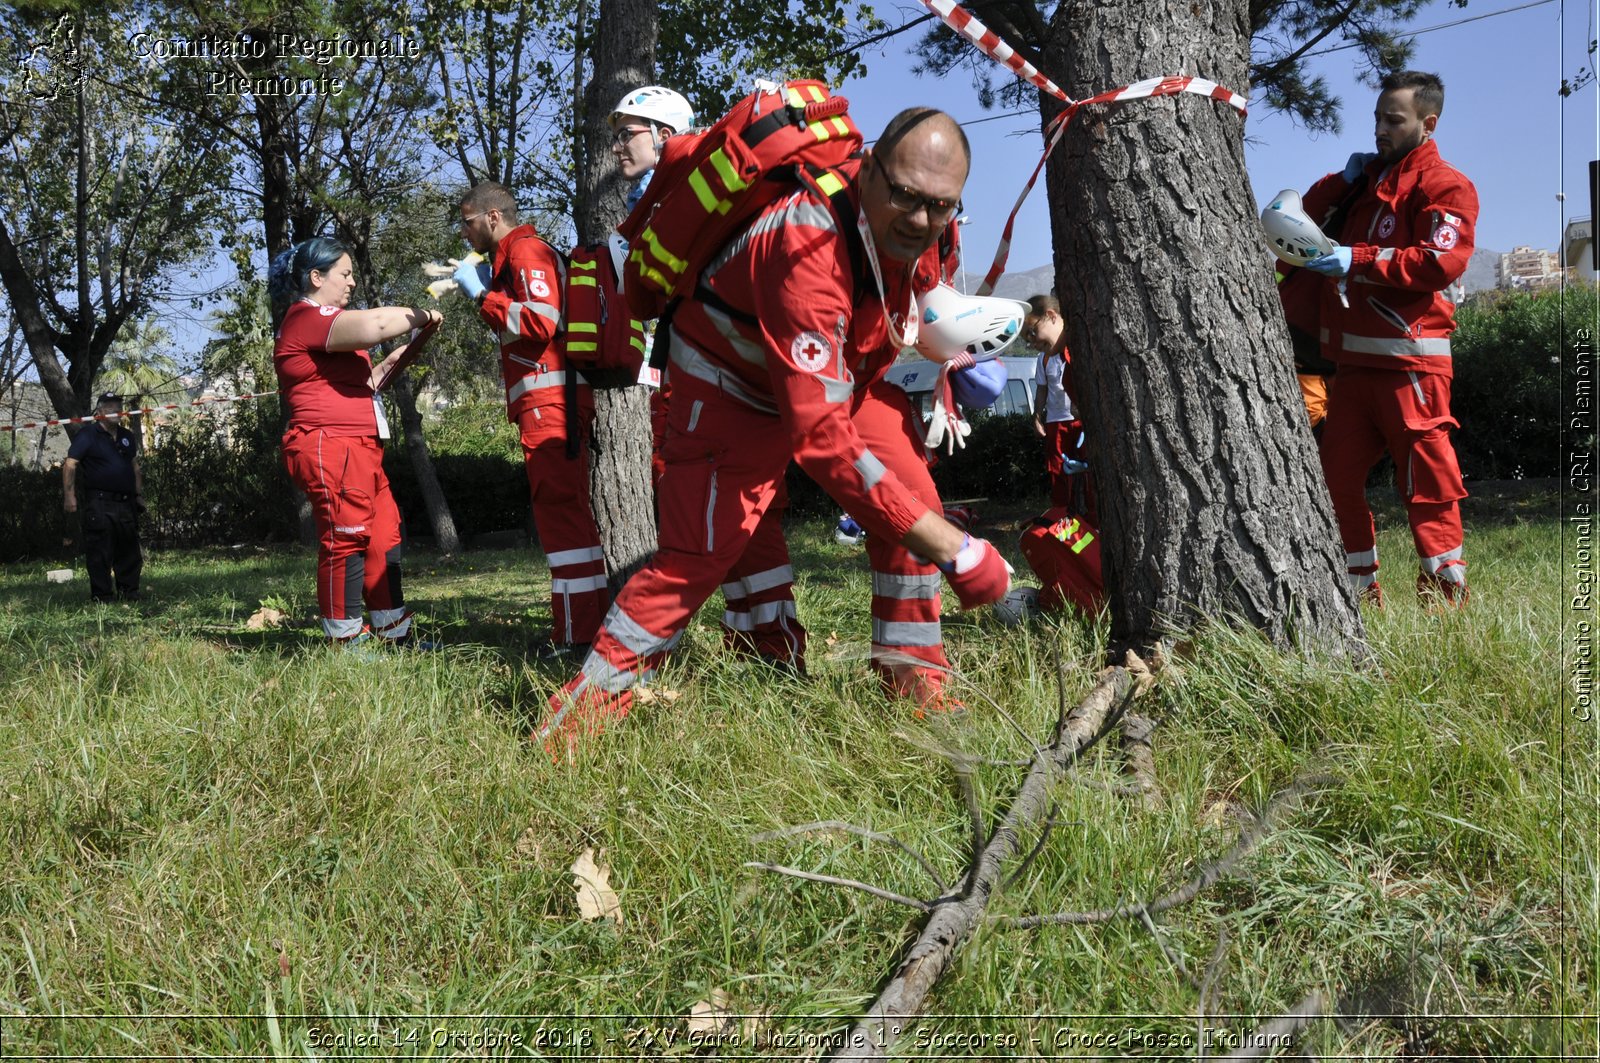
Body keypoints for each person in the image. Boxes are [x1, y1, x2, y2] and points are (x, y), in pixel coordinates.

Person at [540, 107, 1012, 753]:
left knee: (910, 507)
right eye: (904, 195)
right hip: (728, 383)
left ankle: (917, 692)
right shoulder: (806, 242)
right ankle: (573, 725)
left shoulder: (930, 231)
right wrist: (959, 549)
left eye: (940, 205)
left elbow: (892, 323)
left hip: (840, 378)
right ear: (869, 169)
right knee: (695, 560)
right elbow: (822, 441)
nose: (921, 220)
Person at [1295, 71, 1477, 607]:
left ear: (1428, 123)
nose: (1379, 129)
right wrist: (1341, 181)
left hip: (1411, 367)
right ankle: (1358, 593)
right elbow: (1303, 220)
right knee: (1334, 481)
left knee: (1428, 487)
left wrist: (1358, 258)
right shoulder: (1364, 184)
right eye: (1376, 117)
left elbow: (1440, 261)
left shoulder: (1446, 184)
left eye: (1392, 120)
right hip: (1352, 369)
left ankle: (1445, 599)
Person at [449, 181, 611, 652]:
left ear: (493, 217)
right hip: (552, 403)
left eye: (467, 221)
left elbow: (541, 320)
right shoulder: (514, 258)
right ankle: (585, 631)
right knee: (569, 519)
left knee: (562, 519)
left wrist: (482, 297)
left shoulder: (526, 253)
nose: (465, 232)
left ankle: (577, 638)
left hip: (552, 405)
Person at [269, 237, 440, 646]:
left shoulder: (328, 327)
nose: (351, 283)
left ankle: (392, 632)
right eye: (344, 274)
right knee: (346, 538)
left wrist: (403, 351)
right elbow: (374, 326)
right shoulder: (305, 317)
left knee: (384, 535)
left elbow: (367, 383)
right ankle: (344, 641)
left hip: (361, 446)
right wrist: (421, 313)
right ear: (316, 277)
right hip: (331, 444)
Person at [62, 392, 144, 602]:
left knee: (129, 550)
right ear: (99, 412)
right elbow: (71, 464)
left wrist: (138, 494)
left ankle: (130, 592)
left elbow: (134, 467)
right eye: (109, 408)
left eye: (118, 407)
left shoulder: (127, 436)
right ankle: (102, 595)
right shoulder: (88, 434)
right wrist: (69, 495)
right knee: (100, 550)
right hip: (100, 502)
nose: (115, 411)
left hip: (126, 503)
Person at [1022, 294, 1096, 521]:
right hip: (1057, 419)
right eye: (1028, 340)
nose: (1034, 344)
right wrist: (1037, 416)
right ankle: (1062, 516)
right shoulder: (1052, 357)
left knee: (1089, 477)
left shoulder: (1080, 347)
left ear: (1051, 316)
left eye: (1033, 333)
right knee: (1059, 471)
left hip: (1081, 424)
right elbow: (1042, 390)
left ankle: (1093, 521)